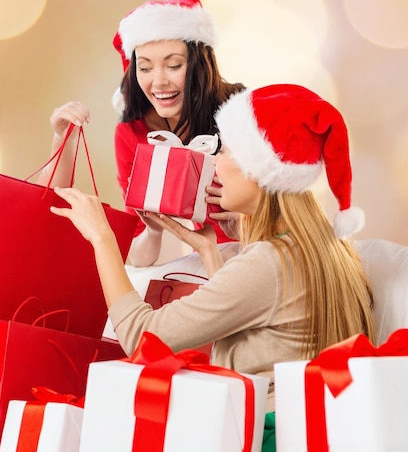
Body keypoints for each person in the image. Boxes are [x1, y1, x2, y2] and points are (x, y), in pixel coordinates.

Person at [50, 83, 376, 409]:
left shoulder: (268, 263)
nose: (215, 161)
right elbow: (253, 311)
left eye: (226, 150)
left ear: (257, 171)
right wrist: (208, 250)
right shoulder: (325, 248)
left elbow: (141, 336)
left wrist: (103, 239)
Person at [44, 0, 246, 268]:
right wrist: (153, 229)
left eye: (174, 65)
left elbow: (286, 224)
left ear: (200, 64)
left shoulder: (239, 114)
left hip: (248, 262)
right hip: (196, 270)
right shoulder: (132, 133)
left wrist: (245, 221)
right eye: (145, 67)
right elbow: (137, 254)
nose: (159, 82)